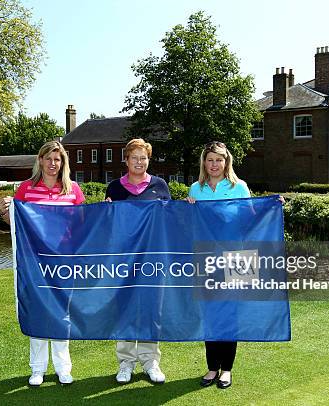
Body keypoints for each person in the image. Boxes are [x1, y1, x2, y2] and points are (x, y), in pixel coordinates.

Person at [0, 140, 85, 387]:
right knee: (37, 312)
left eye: (57, 159)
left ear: (63, 163)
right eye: (48, 158)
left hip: (63, 262)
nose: (53, 164)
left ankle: (63, 368)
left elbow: (82, 225)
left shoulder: (73, 190)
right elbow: (16, 225)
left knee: (61, 314)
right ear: (40, 160)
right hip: (34, 262)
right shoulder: (26, 189)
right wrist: (5, 211)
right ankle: (37, 369)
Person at [105, 138, 171, 384]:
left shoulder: (160, 186)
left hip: (153, 259)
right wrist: (105, 212)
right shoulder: (114, 188)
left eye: (143, 158)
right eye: (135, 158)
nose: (139, 162)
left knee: (151, 309)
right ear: (126, 160)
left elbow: (170, 219)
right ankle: (126, 363)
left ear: (148, 160)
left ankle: (150, 361)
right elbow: (109, 225)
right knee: (125, 310)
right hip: (123, 260)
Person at [186, 141, 250, 390]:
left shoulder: (239, 187)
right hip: (206, 257)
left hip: (236, 258)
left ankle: (227, 370)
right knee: (210, 315)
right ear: (204, 162)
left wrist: (273, 206)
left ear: (227, 162)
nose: (214, 164)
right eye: (210, 160)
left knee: (230, 315)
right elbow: (190, 225)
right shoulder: (196, 188)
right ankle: (212, 367)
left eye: (219, 160)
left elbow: (251, 219)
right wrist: (188, 208)